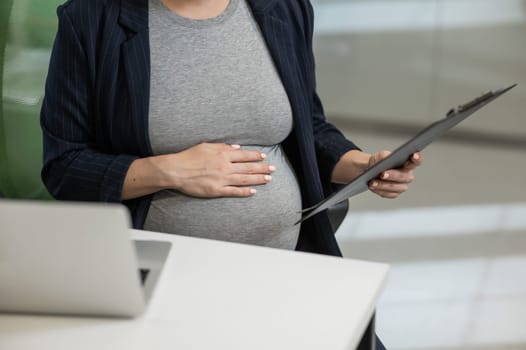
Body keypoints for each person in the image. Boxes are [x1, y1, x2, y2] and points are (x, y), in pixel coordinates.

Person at [41, 0, 422, 348]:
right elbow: (65, 167)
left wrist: (361, 165)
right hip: (165, 294)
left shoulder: (285, 9)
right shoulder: (91, 20)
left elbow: (309, 127)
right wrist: (167, 171)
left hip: (287, 273)